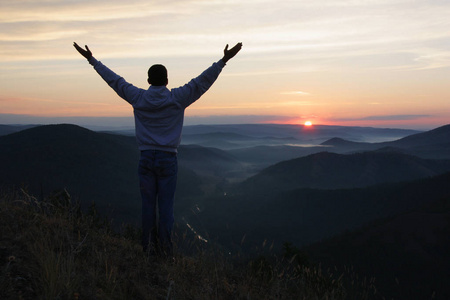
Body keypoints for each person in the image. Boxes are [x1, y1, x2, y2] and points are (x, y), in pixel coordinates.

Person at [74, 41, 242, 257]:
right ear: (167, 80)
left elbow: (115, 81)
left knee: (147, 207)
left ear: (148, 81)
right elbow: (202, 82)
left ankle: (147, 250)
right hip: (167, 160)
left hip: (145, 159)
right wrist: (223, 61)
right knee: (166, 208)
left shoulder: (138, 97)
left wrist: (92, 60)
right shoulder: (177, 98)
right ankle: (165, 253)